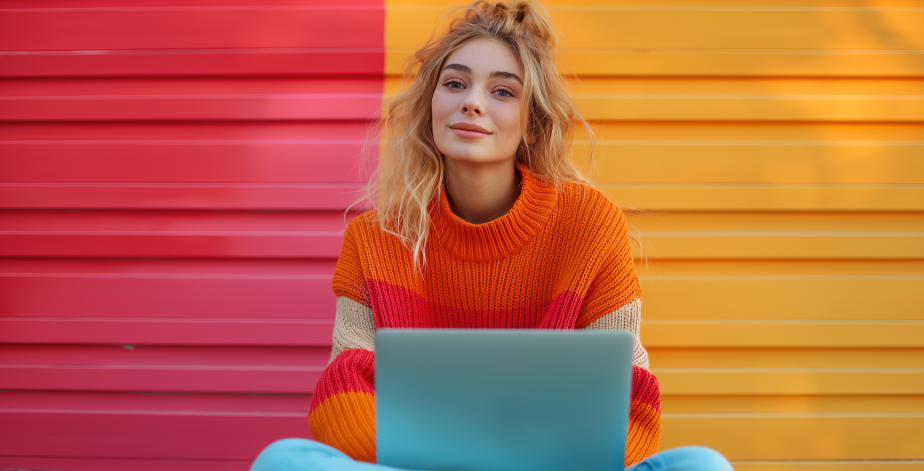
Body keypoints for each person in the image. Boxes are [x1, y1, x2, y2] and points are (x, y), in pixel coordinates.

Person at [251, 1, 732, 470]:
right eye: (455, 83)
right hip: (411, 467)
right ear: (431, 105)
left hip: (557, 467)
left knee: (702, 464)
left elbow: (627, 391)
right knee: (283, 460)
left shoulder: (590, 224)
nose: (472, 102)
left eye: (503, 92)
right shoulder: (374, 238)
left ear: (531, 121)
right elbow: (345, 386)